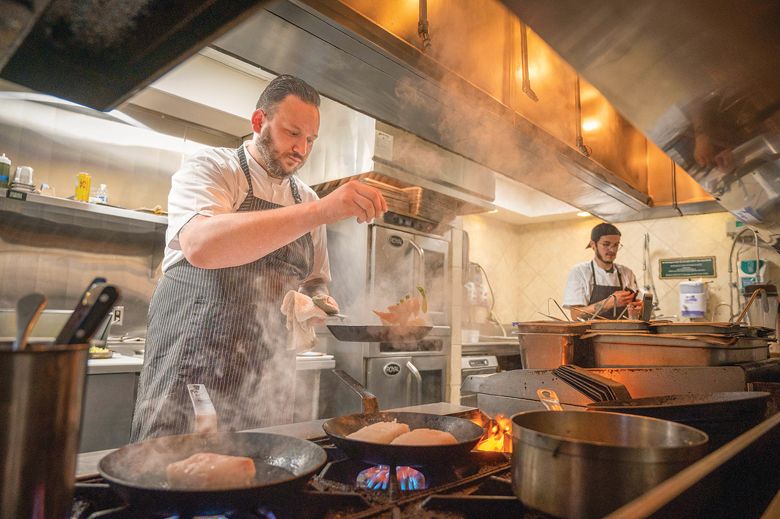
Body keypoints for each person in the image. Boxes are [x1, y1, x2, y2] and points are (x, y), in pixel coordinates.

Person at [131, 75, 387, 441]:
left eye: (310, 140)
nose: (301, 148)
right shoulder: (214, 168)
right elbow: (202, 245)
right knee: (172, 465)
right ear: (258, 122)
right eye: (292, 132)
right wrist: (320, 212)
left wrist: (317, 302)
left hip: (267, 372)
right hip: (193, 361)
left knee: (259, 467)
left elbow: (315, 281)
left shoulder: (308, 199)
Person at [562, 223, 642, 320]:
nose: (612, 250)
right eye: (606, 244)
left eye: (616, 245)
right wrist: (608, 303)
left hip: (622, 334)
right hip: (591, 334)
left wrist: (636, 313)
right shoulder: (579, 272)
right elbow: (575, 315)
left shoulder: (627, 273)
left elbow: (635, 312)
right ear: (593, 245)